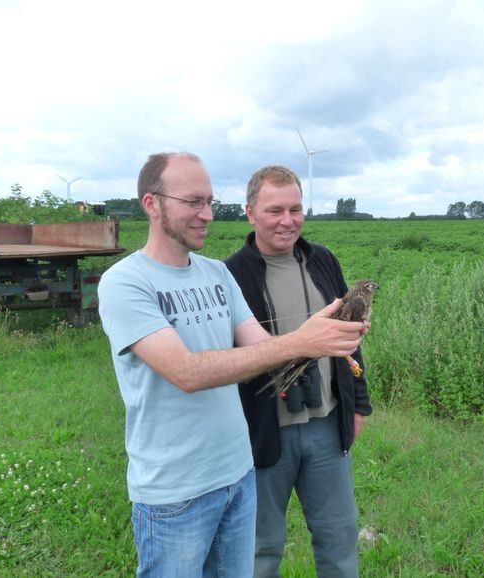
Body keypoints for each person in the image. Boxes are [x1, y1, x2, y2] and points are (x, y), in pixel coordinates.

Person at [98, 153, 366, 577]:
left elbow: (264, 348)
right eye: (193, 202)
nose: (206, 214)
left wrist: (325, 340)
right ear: (151, 205)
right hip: (175, 491)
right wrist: (302, 340)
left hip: (238, 474)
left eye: (209, 201)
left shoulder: (216, 275)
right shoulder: (125, 282)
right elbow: (186, 372)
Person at [225, 165, 372, 577]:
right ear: (250, 212)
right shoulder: (230, 274)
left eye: (295, 209)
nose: (287, 221)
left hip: (326, 425)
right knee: (259, 548)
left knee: (339, 538)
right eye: (274, 210)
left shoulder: (323, 260)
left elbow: (349, 337)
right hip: (263, 432)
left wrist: (358, 404)